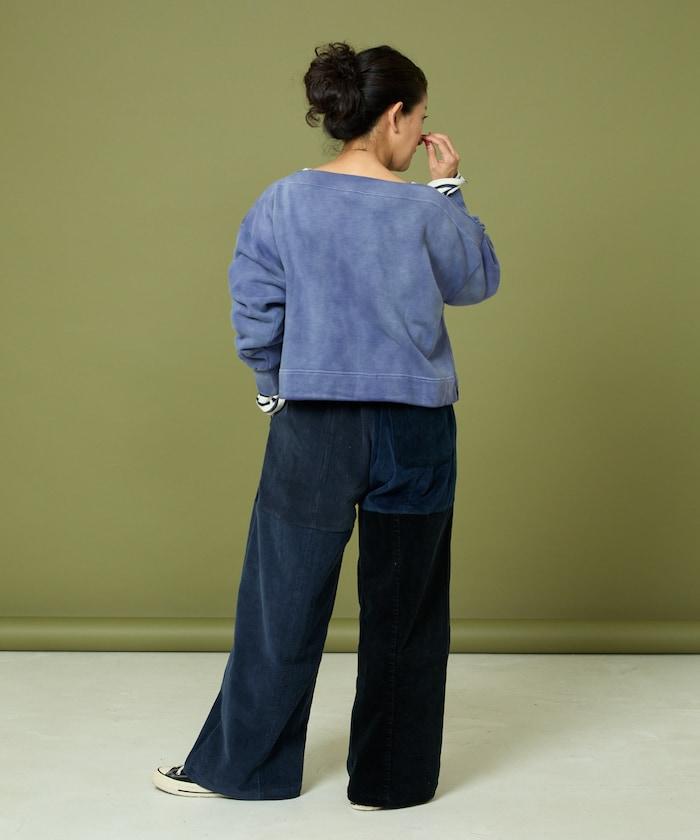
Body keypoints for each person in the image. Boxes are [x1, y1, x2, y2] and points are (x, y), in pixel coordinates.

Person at [153, 40, 500, 810]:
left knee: (282, 602)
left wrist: (271, 386)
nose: (422, 134)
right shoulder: (424, 208)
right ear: (395, 116)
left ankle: (245, 770)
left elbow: (256, 303)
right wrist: (449, 191)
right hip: (417, 431)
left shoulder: (285, 199)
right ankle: (392, 783)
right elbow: (475, 282)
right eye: (421, 118)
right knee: (407, 611)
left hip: (315, 425)